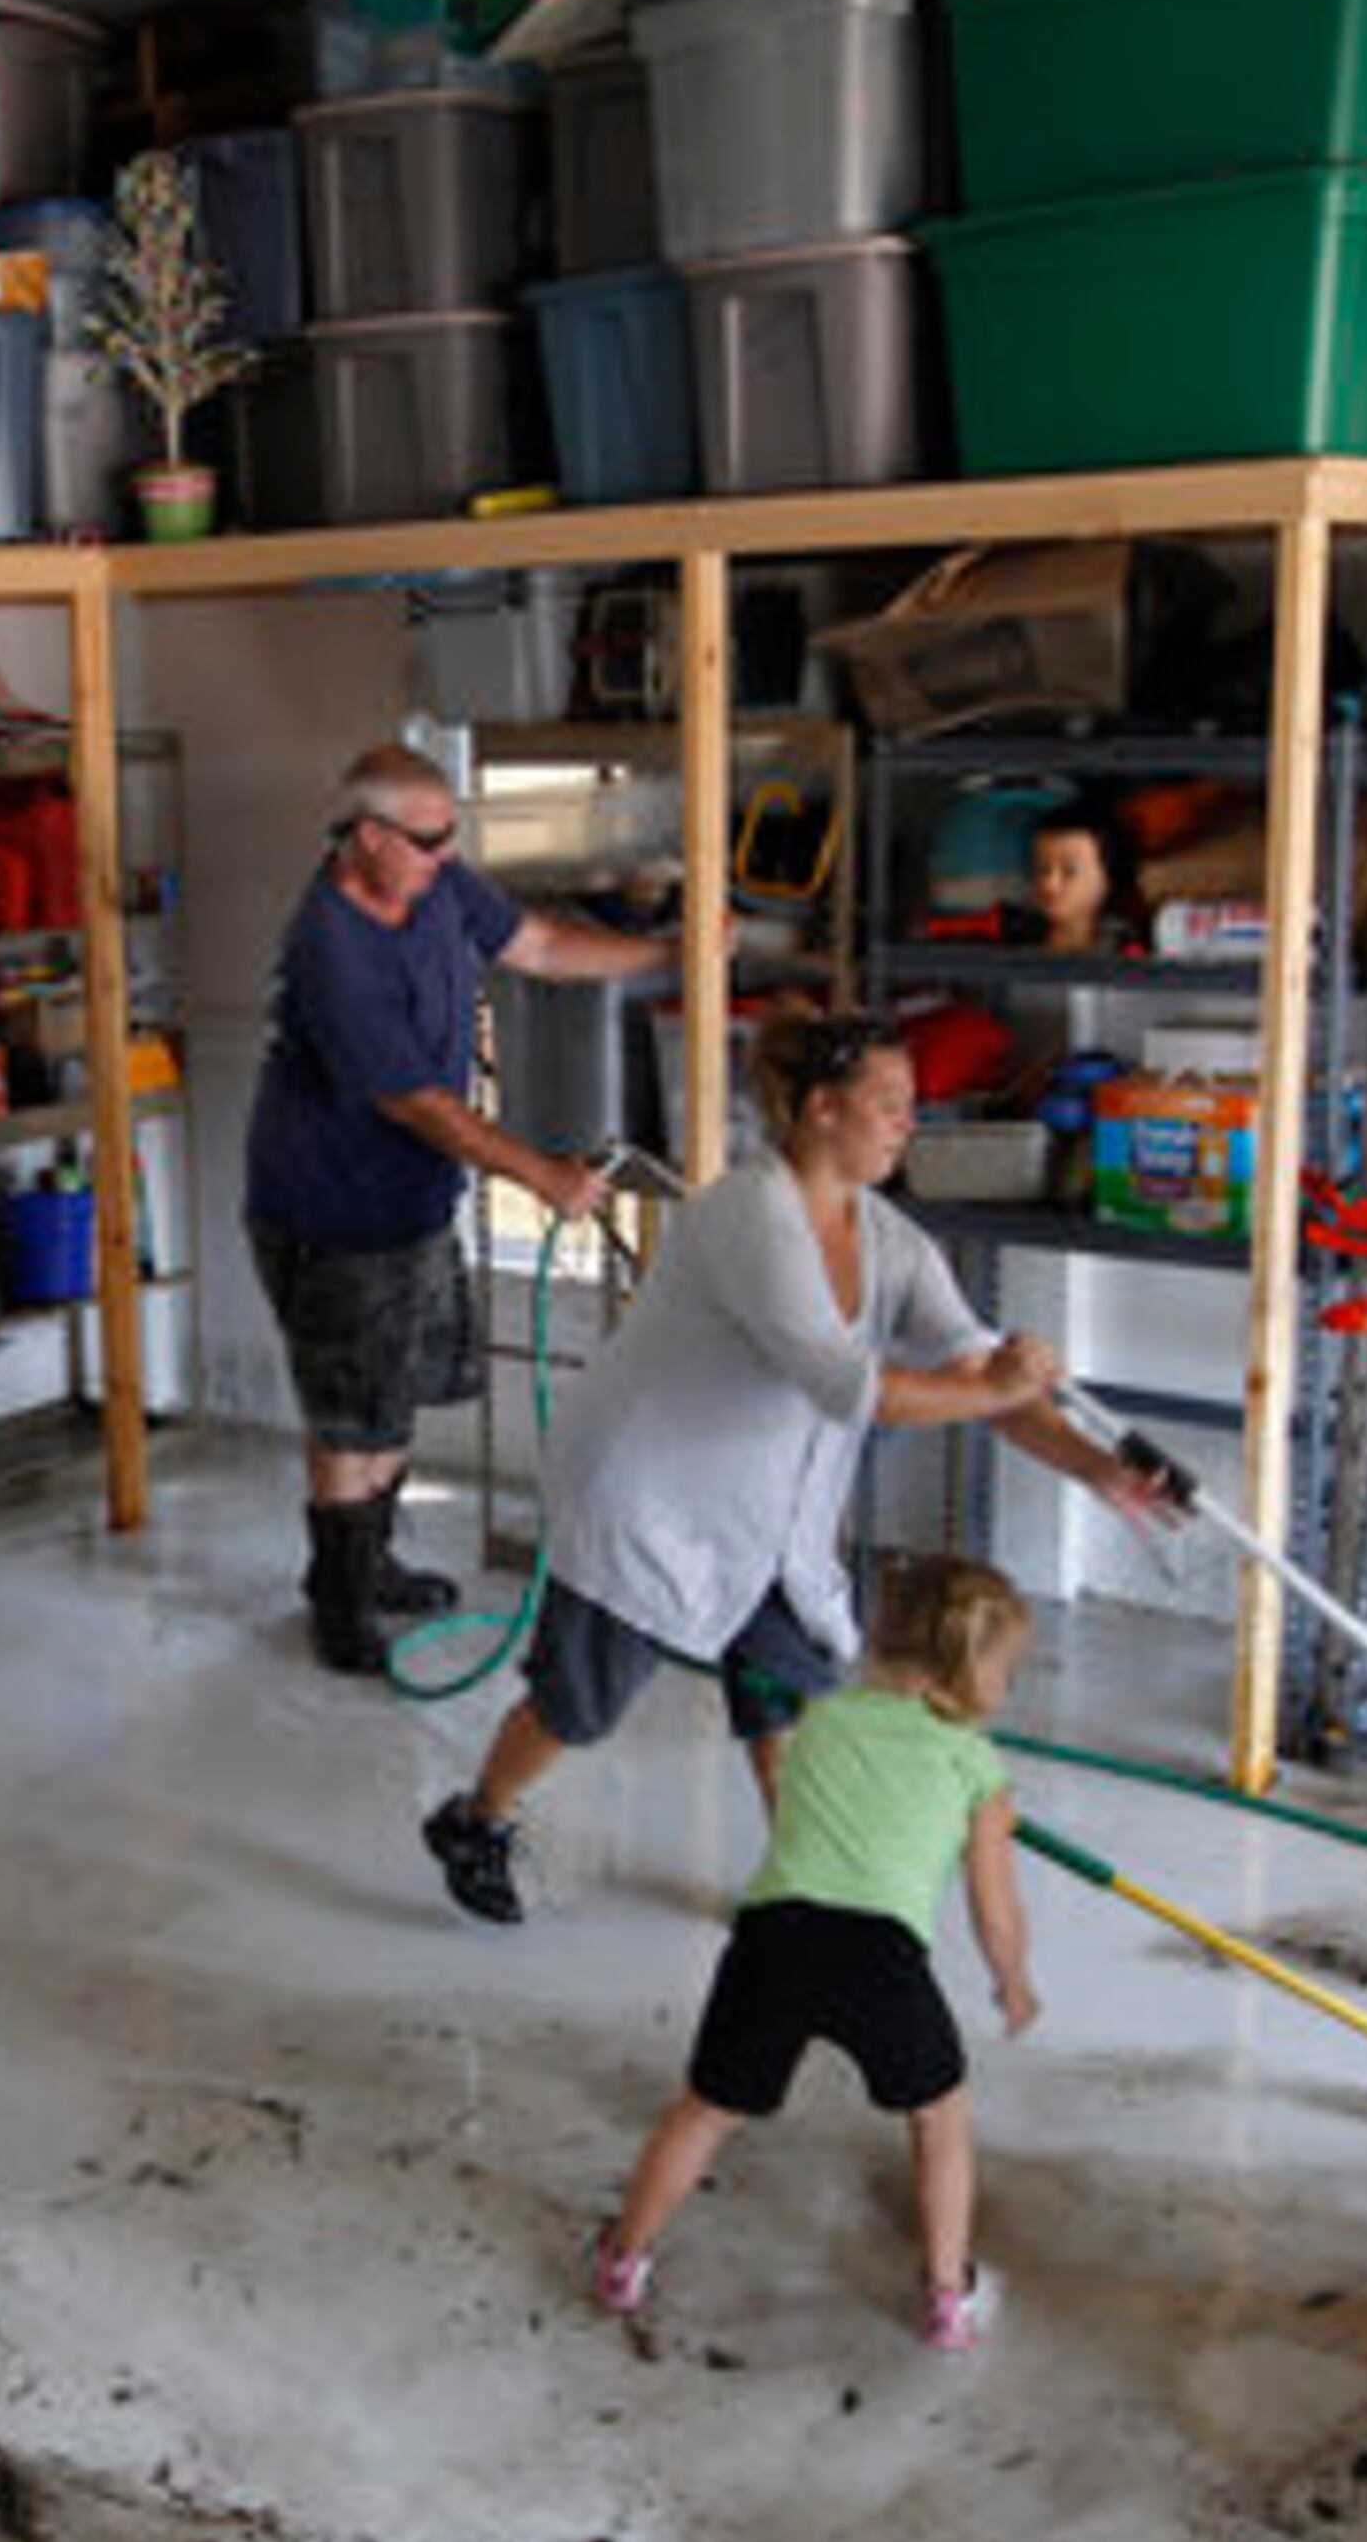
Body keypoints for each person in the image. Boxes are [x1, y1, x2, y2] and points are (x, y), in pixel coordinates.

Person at [420, 1010, 1154, 1925]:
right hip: (647, 1493)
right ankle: (476, 1816)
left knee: (785, 1695)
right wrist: (997, 1383)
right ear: (820, 1109)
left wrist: (1096, 1467)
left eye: (910, 1106)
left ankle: (799, 1886)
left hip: (769, 1508)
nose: (905, 1124)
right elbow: (852, 1385)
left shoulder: (889, 1240)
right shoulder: (748, 1215)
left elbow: (978, 1376)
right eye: (888, 1104)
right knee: (582, 1701)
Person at [244, 742, 670, 1676]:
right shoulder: (332, 944)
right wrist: (541, 1174)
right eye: (429, 840)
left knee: (394, 1402)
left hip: (411, 1200)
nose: (446, 856)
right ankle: (339, 1598)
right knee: (350, 1415)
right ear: (366, 835)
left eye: (450, 837)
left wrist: (666, 954)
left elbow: (541, 945)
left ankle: (374, 1560)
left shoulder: (434, 885)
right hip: (330, 1208)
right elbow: (418, 1103)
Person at [587, 1552, 1041, 2354]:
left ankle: (623, 2257)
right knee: (939, 2118)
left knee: (706, 2107)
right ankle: (947, 2297)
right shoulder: (979, 1768)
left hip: (775, 1937)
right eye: (1010, 1670)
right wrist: (1013, 1980)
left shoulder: (819, 1717)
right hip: (882, 1958)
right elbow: (993, 1909)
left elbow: (802, 1809)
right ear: (971, 1672)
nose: (1008, 1686)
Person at [1015, 798, 1149, 956]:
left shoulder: (1125, 949)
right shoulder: (1018, 940)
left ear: (1108, 878)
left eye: (1070, 871)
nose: (1050, 884)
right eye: (1043, 869)